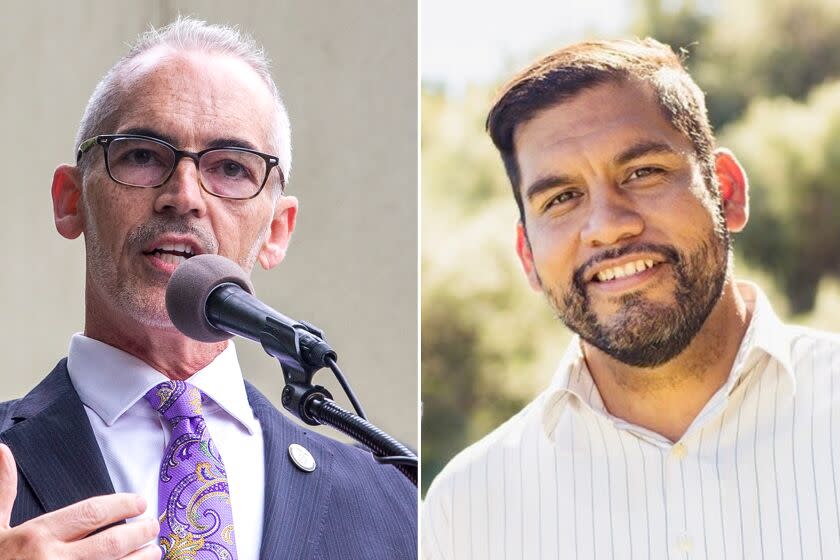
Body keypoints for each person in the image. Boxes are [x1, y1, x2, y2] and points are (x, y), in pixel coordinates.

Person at [0, 18, 416, 560]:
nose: (185, 195)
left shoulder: (389, 503)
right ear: (70, 199)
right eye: (143, 155)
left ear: (277, 231)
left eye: (231, 168)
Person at [422, 37, 840, 559]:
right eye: (562, 198)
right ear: (527, 255)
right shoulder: (465, 513)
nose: (608, 227)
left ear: (726, 190)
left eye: (643, 173)